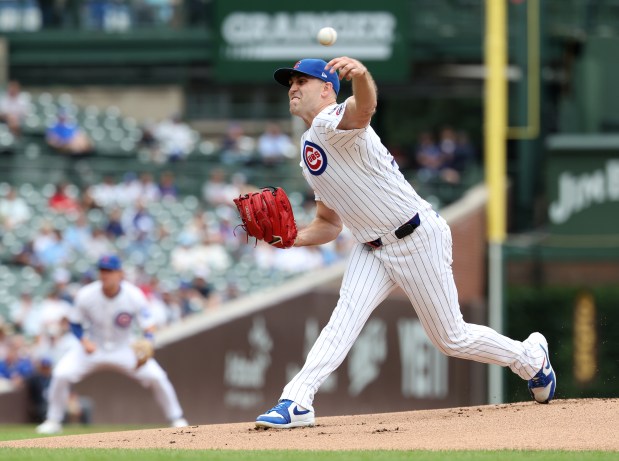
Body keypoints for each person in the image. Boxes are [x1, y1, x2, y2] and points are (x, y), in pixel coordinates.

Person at [254, 57, 557, 429]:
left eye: (303, 80)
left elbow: (363, 109)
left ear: (327, 88)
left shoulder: (332, 120)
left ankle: (529, 358)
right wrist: (291, 238)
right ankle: (296, 400)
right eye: (290, 82)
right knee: (343, 320)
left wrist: (362, 76)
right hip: (372, 248)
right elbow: (329, 224)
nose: (294, 87)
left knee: (451, 338)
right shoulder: (308, 148)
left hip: (416, 238)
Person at [35, 254, 188, 434]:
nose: (105, 274)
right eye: (102, 270)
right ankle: (53, 420)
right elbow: (75, 322)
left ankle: (177, 418)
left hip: (124, 347)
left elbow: (148, 324)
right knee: (61, 374)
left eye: (109, 271)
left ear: (119, 274)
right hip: (93, 347)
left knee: (157, 377)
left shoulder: (133, 295)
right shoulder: (86, 294)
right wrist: (84, 341)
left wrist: (148, 341)